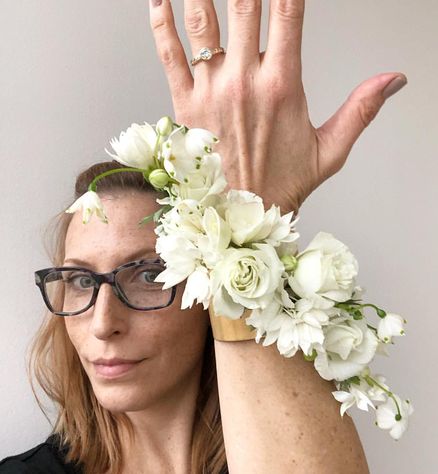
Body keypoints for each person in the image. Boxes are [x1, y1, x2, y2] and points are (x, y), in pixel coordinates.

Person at [0, 1, 407, 473]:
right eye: (81, 281)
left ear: (208, 293)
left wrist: (244, 213)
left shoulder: (290, 439)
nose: (102, 324)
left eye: (149, 273)